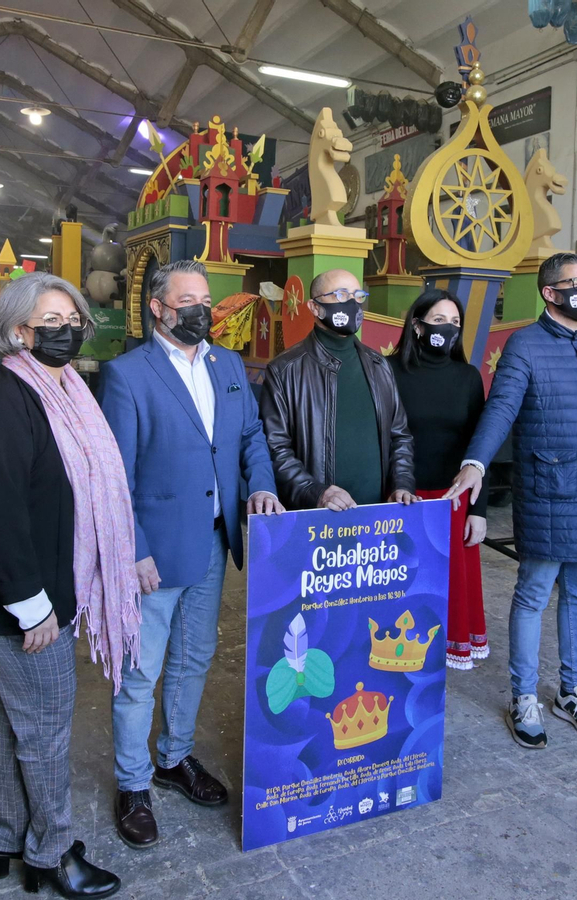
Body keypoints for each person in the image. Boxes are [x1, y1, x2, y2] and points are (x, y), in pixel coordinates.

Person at [0, 272, 131, 898]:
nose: (65, 331)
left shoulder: (69, 391)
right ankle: (50, 854)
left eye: (72, 320)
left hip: (50, 589)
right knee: (48, 727)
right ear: (18, 330)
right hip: (21, 600)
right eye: (49, 323)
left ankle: (8, 836)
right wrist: (33, 609)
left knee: (19, 717)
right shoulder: (4, 401)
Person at [98, 260, 284, 850]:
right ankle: (132, 786)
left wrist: (261, 484)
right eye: (189, 302)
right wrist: (135, 551)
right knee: (139, 673)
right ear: (158, 308)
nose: (203, 311)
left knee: (194, 657)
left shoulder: (228, 365)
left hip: (212, 539)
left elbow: (251, 436)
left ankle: (173, 758)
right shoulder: (127, 375)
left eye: (206, 299)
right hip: (153, 552)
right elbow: (114, 478)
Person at [444, 252, 577, 749]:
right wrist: (476, 464)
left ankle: (572, 691)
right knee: (533, 595)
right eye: (574, 283)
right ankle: (523, 695)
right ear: (549, 293)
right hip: (548, 490)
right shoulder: (524, 345)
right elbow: (501, 408)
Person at [388, 289, 489, 670]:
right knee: (403, 589)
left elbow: (479, 448)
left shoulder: (468, 377)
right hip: (402, 498)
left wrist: (477, 512)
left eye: (455, 323)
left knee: (450, 592)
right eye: (439, 321)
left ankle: (441, 658)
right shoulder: (389, 370)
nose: (448, 330)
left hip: (453, 501)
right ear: (417, 325)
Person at [260, 268, 416, 510]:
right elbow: (275, 448)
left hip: (376, 514)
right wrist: (316, 492)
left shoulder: (378, 365)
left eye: (358, 296)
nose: (352, 304)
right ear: (314, 307)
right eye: (341, 295)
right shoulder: (285, 369)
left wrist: (402, 483)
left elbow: (400, 435)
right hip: (317, 516)